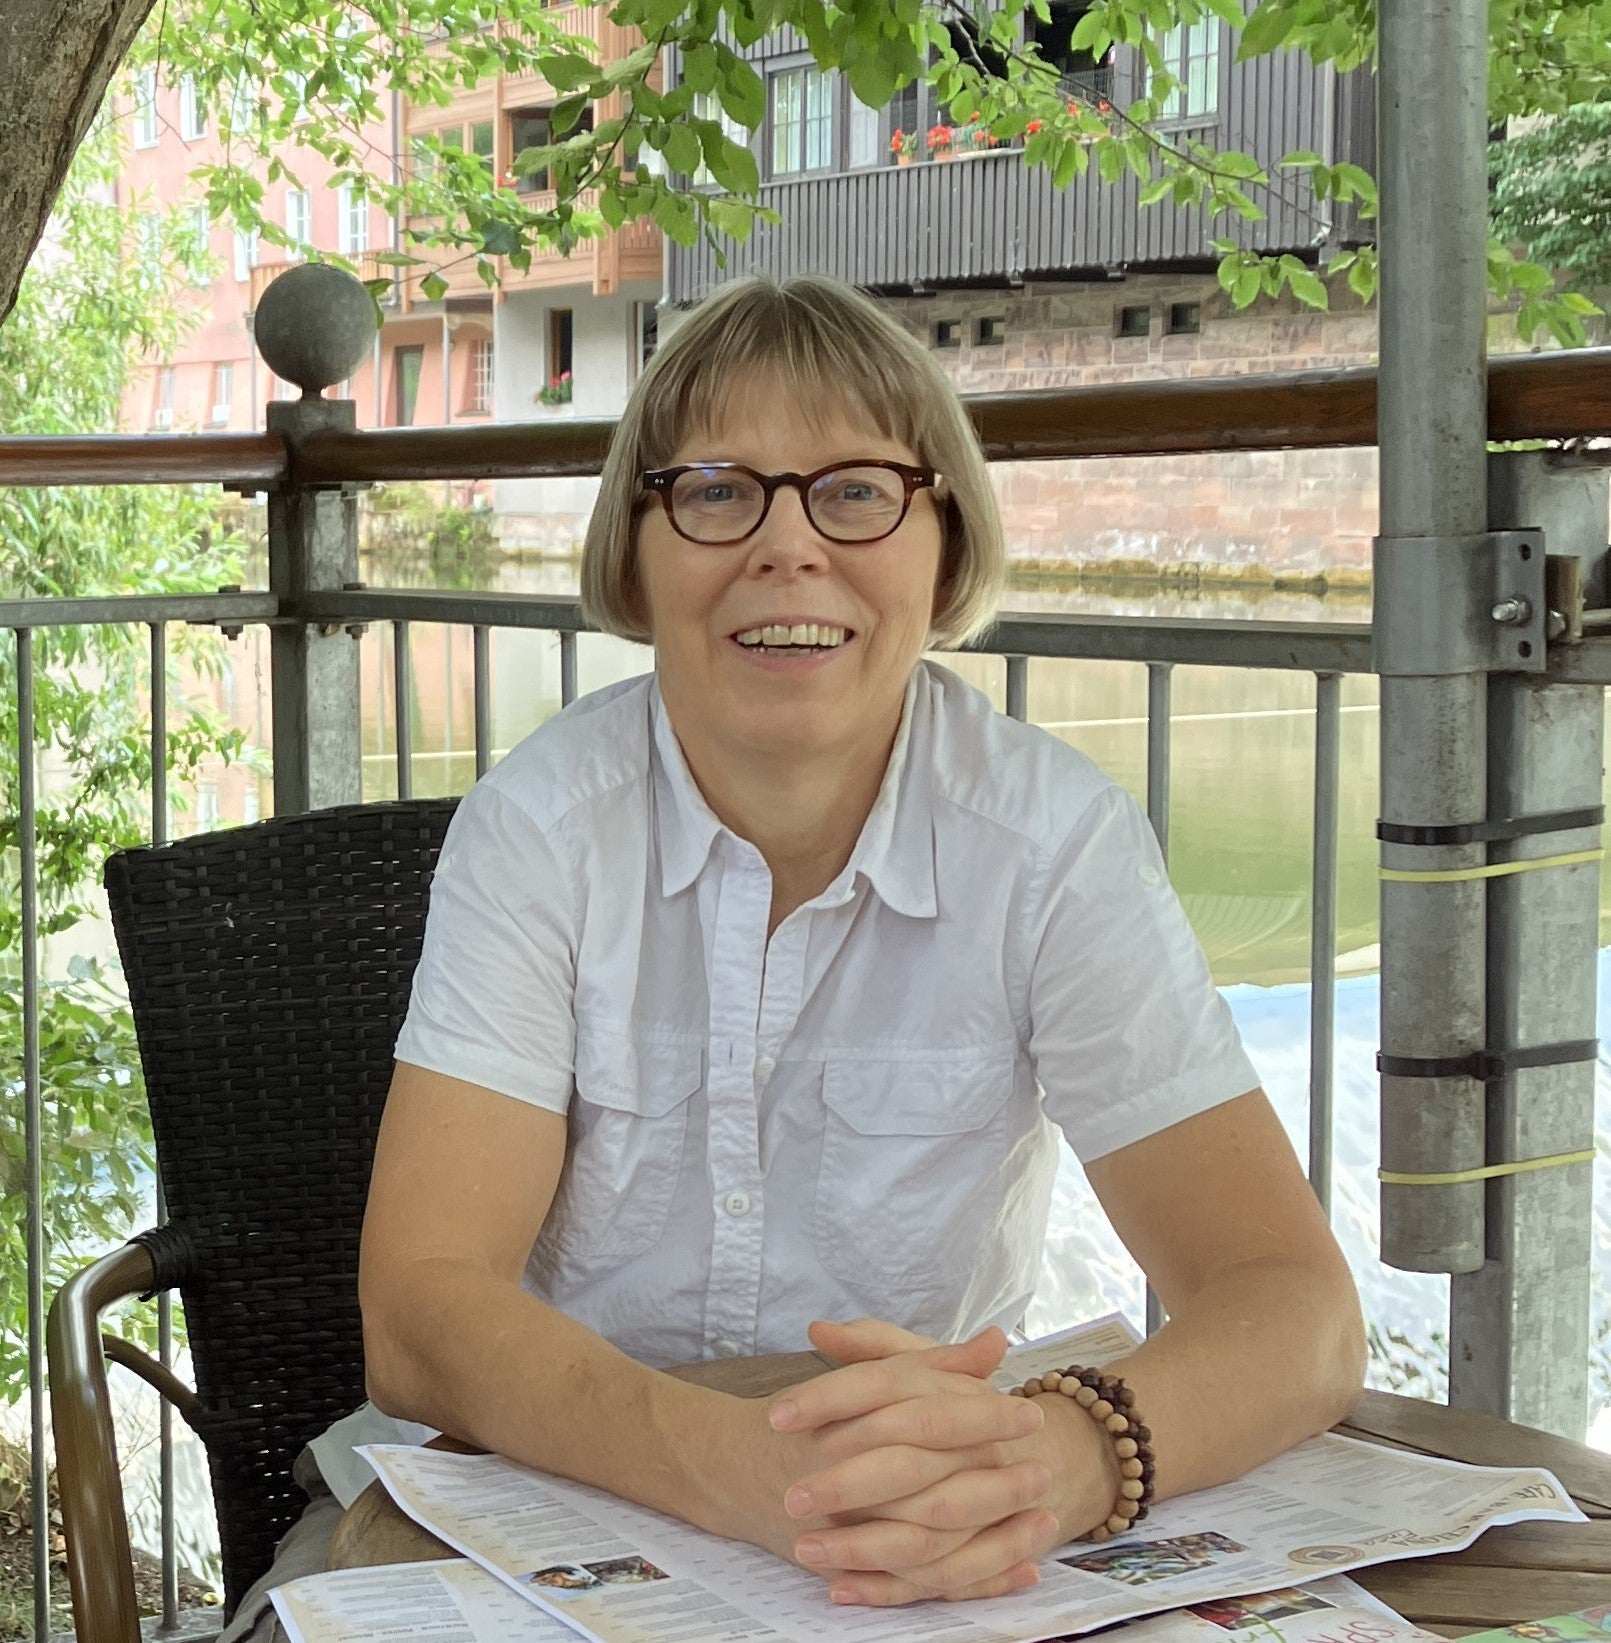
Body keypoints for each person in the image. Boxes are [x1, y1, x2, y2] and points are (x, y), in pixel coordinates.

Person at [221, 272, 1364, 1639]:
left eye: (858, 491)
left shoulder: (1054, 844)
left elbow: (1293, 1307)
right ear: (637, 550)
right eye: (715, 490)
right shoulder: (537, 830)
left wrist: (1056, 1462)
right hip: (546, 1492)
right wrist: (744, 1471)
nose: (788, 548)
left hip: (922, 1522)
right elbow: (419, 1312)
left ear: (943, 541)